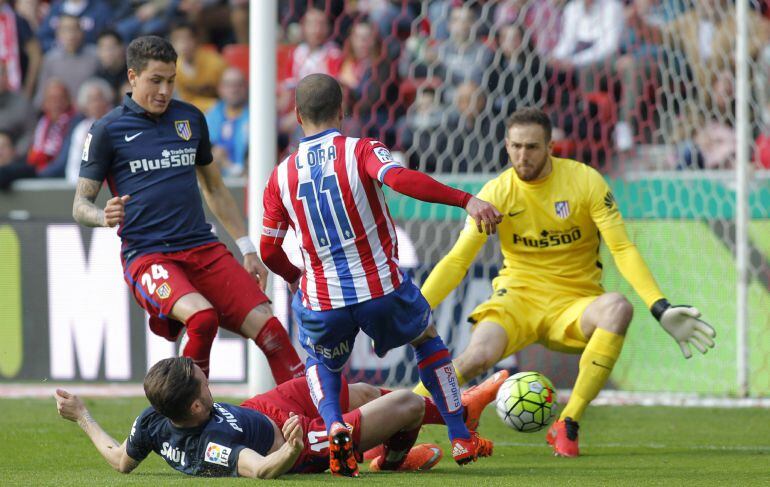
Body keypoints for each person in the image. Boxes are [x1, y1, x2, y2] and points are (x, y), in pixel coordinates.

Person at [412, 107, 717, 458]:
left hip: (574, 304)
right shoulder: (496, 192)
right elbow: (456, 260)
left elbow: (622, 248)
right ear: (506, 146)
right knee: (476, 356)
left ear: (551, 147)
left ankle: (568, 422)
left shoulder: (585, 182)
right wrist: (413, 308)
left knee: (618, 307)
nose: (522, 156)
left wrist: (659, 306)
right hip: (517, 299)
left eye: (532, 147)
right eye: (515, 147)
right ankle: (403, 416)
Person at [259, 73, 503, 476]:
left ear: (298, 115)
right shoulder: (361, 150)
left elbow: (269, 249)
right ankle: (460, 435)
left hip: (323, 299)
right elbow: (401, 179)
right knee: (426, 340)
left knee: (323, 363)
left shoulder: (279, 176)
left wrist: (295, 276)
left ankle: (336, 425)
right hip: (380, 287)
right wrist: (465, 199)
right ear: (342, 110)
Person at [71, 35, 304, 384]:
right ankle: (188, 421)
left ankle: (311, 421)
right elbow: (79, 205)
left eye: (170, 80)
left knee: (271, 330)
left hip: (202, 248)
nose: (164, 90)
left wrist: (246, 247)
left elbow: (213, 187)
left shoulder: (190, 119)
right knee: (203, 319)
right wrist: (102, 216)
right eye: (155, 80)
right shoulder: (108, 130)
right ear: (133, 77)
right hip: (149, 255)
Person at [54, 356, 505, 477]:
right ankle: (452, 417)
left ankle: (399, 450)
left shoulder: (152, 419)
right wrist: (289, 449)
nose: (208, 381)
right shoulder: (211, 445)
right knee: (404, 402)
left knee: (362, 389)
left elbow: (120, 461)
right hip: (299, 443)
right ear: (195, 407)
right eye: (203, 383)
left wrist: (82, 416)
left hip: (264, 408)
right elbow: (261, 470)